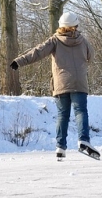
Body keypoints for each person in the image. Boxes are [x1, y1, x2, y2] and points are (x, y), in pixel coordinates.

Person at [10, 11, 96, 160]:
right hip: (80, 82)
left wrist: (19, 61)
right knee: (81, 112)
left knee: (63, 115)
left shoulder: (55, 41)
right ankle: (83, 140)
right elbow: (91, 57)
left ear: (61, 26)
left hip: (61, 83)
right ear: (76, 25)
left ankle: (60, 148)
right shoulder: (83, 40)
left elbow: (37, 52)